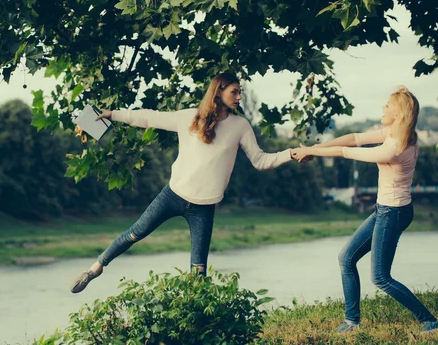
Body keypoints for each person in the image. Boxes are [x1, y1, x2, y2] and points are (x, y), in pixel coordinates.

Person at [70, 72, 300, 293]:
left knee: (199, 268)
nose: (239, 97)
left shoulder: (240, 126)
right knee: (135, 232)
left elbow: (260, 161)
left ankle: (195, 318)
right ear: (218, 92)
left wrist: (290, 153)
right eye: (235, 91)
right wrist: (112, 114)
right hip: (173, 195)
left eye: (240, 92)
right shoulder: (189, 117)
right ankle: (93, 270)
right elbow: (149, 117)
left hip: (204, 207)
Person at [292, 86, 438, 334]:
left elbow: (345, 152)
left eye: (388, 105)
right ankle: (352, 322)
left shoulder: (395, 148)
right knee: (346, 258)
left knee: (381, 277)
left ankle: (428, 320)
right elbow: (353, 138)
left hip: (393, 213)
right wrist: (315, 150)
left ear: (398, 114)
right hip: (387, 210)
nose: (383, 107)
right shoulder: (395, 134)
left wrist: (310, 151)